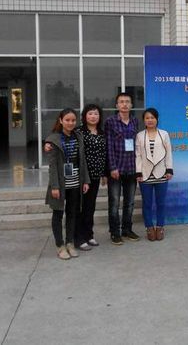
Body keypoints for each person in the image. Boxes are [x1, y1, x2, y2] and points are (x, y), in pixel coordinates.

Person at [44, 108, 90, 260]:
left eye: (73, 120)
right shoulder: (53, 139)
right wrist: (55, 186)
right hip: (60, 184)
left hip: (75, 182)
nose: (70, 123)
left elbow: (82, 161)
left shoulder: (78, 137)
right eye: (67, 120)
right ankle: (60, 245)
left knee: (72, 213)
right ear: (61, 120)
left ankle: (70, 243)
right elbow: (52, 166)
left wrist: (86, 180)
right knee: (58, 214)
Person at [104, 92, 140, 245]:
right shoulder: (110, 122)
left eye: (127, 101)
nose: (124, 104)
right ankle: (114, 232)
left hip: (131, 168)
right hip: (116, 169)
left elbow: (137, 145)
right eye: (121, 102)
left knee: (129, 202)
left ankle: (127, 229)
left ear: (131, 105)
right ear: (117, 105)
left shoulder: (135, 121)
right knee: (114, 203)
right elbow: (109, 146)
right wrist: (112, 167)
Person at [135, 108, 173, 241]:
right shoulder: (140, 135)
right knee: (147, 203)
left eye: (152, 117)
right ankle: (149, 227)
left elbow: (168, 153)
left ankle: (160, 227)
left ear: (157, 119)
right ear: (144, 120)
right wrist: (138, 172)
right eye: (147, 118)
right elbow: (138, 155)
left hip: (161, 173)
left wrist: (169, 169)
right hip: (145, 175)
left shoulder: (164, 134)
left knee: (161, 203)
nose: (150, 120)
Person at [75, 104, 107, 251]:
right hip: (82, 177)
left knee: (90, 207)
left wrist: (104, 173)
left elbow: (104, 154)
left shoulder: (101, 133)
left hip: (95, 176)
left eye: (96, 114)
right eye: (90, 114)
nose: (93, 116)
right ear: (84, 116)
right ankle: (78, 237)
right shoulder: (79, 132)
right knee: (80, 207)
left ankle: (89, 234)